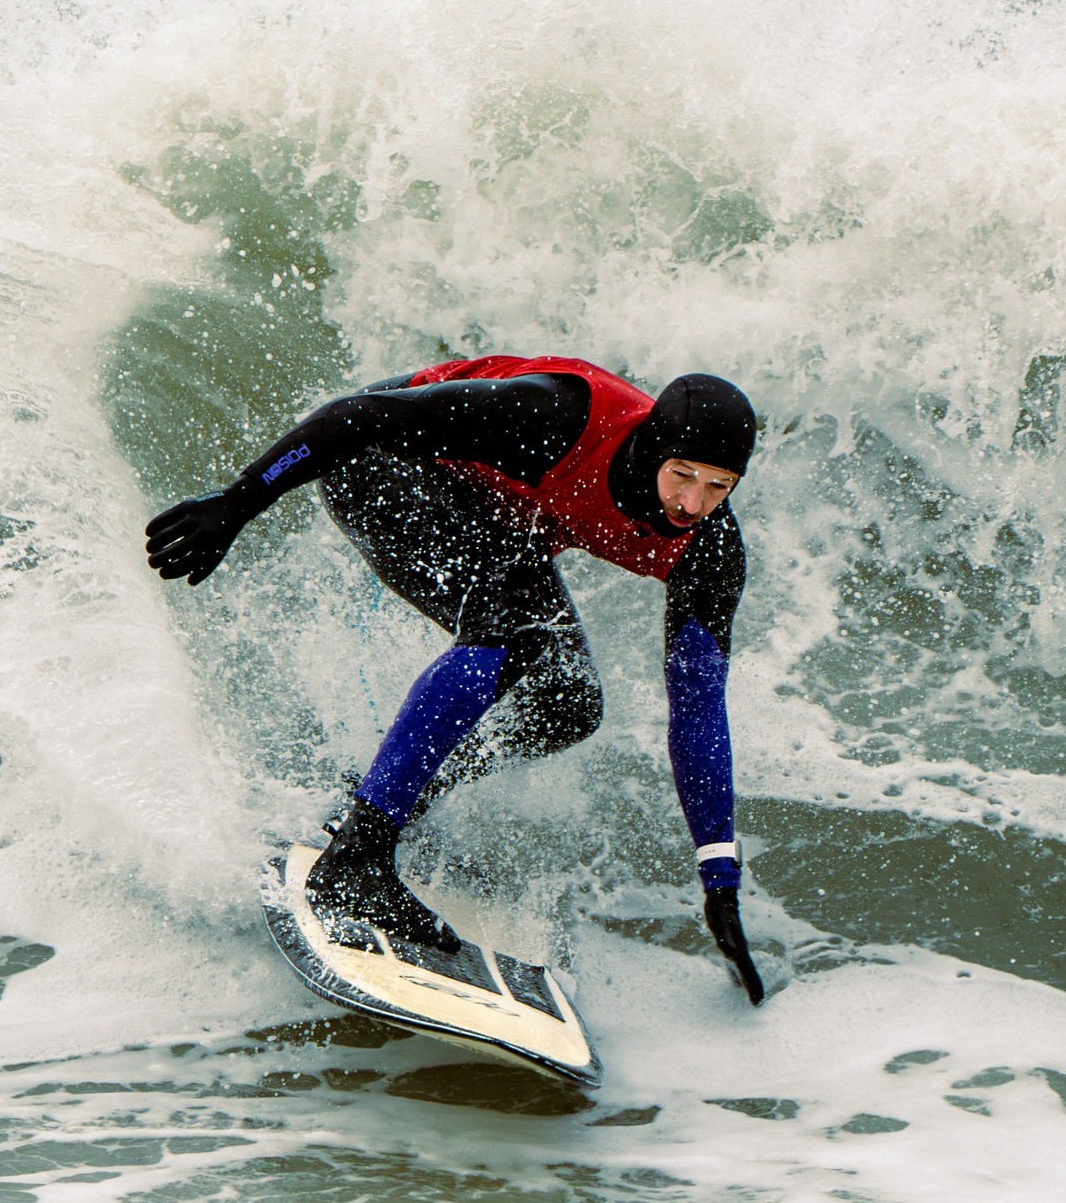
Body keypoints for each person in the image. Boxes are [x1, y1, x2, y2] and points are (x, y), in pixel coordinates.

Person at [145, 355, 766, 1004]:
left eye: (719, 486)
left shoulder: (708, 549)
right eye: (683, 476)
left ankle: (386, 810)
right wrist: (238, 501)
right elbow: (356, 418)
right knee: (508, 635)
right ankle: (359, 857)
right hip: (376, 461)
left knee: (567, 701)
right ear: (653, 447)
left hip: (495, 518)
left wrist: (717, 876)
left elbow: (697, 708)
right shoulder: (560, 419)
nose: (692, 502)